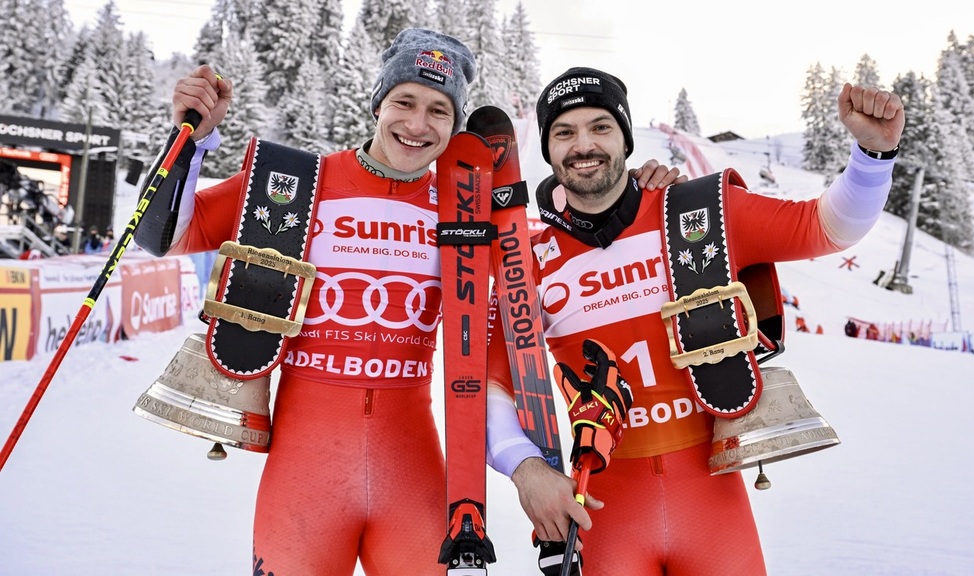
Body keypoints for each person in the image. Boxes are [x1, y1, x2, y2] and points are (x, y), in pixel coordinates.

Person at [138, 31, 680, 575]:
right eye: (404, 102)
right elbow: (166, 235)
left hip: (412, 475)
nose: (418, 125)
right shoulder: (302, 183)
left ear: (455, 123)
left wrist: (642, 197)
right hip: (304, 477)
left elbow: (543, 274)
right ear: (378, 102)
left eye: (439, 111)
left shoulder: (466, 212)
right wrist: (190, 142)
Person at [485, 67, 905, 575]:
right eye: (565, 132)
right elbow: (491, 384)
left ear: (625, 137)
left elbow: (824, 227)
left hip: (710, 504)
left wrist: (872, 157)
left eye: (600, 127)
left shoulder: (699, 213)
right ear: (549, 150)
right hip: (603, 507)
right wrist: (525, 470)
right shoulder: (525, 261)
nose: (583, 145)